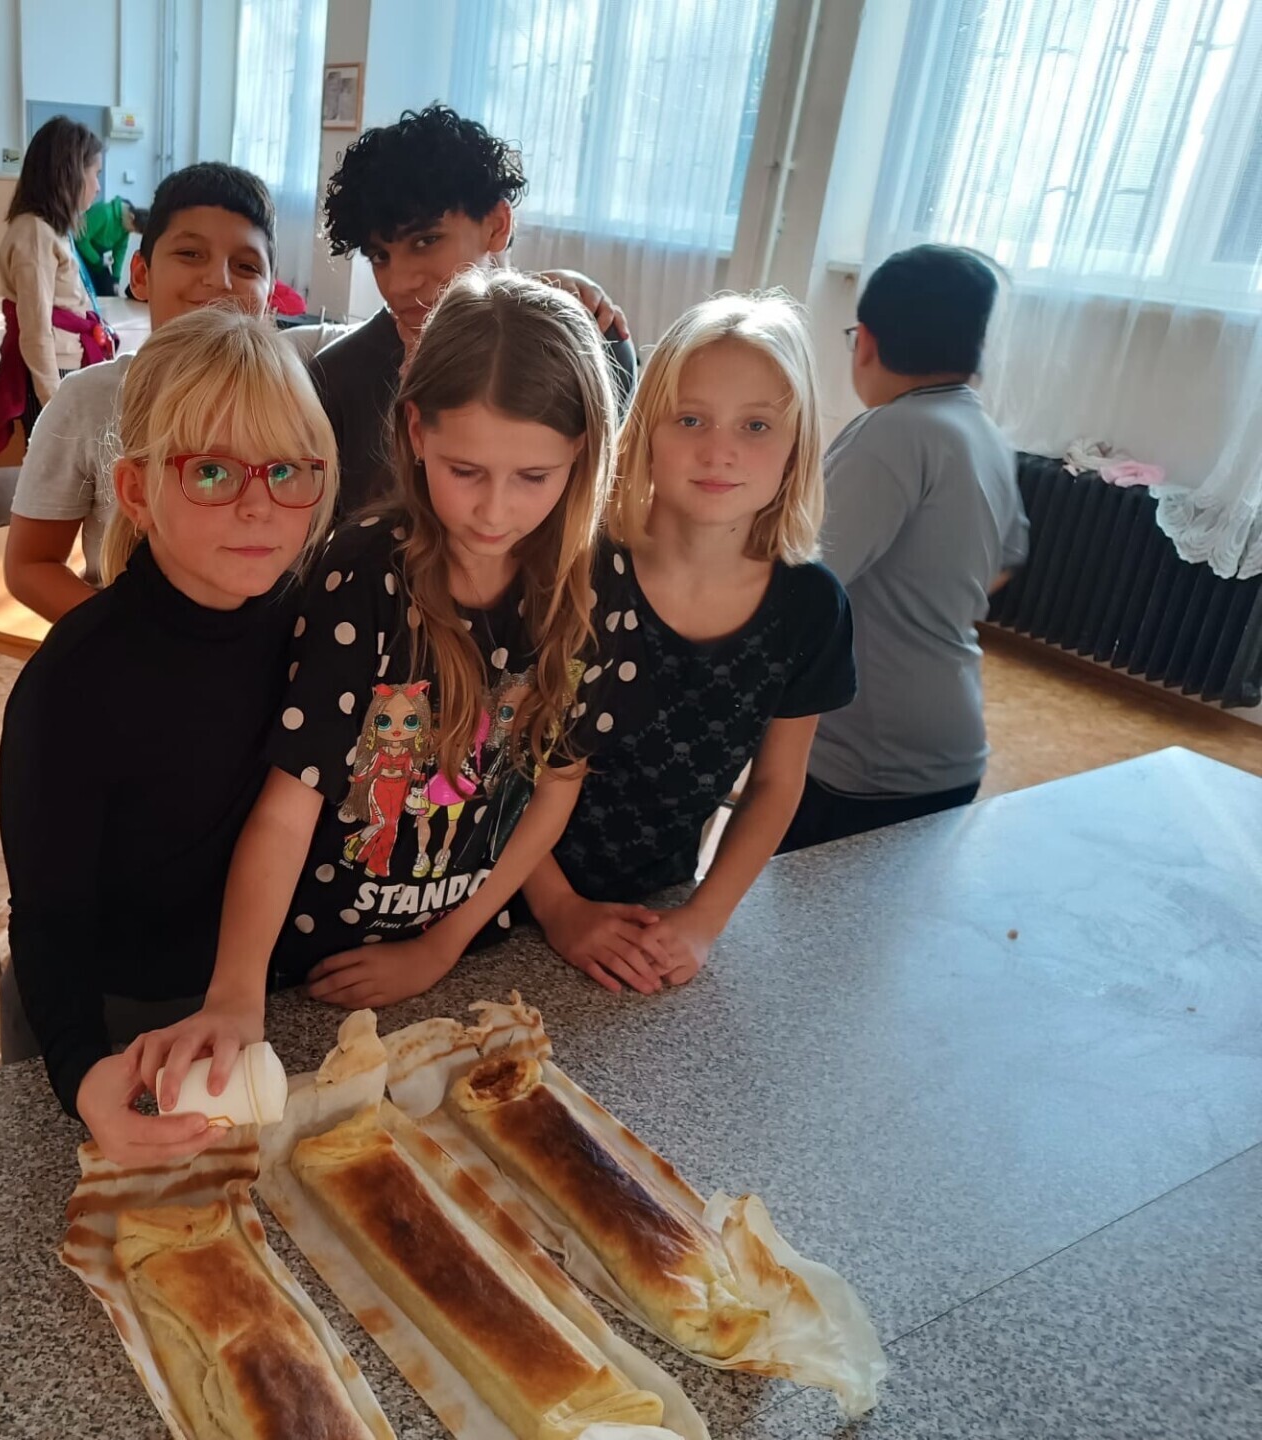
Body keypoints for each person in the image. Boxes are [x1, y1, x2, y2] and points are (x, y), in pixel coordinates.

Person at [137, 269, 655, 1109]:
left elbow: (554, 791)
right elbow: (290, 803)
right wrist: (236, 992)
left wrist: (440, 949)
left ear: (582, 455)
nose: (494, 510)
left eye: (534, 476)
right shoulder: (363, 572)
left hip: (469, 949)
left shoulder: (600, 585)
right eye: (465, 470)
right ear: (415, 430)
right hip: (317, 963)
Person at [0, 305, 337, 1164]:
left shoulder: (310, 625)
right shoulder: (73, 682)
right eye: (212, 471)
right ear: (137, 491)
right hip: (97, 1017)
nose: (258, 506)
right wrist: (83, 1074)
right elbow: (47, 923)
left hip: (242, 992)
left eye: (287, 470)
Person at [529, 293, 856, 995]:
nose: (719, 451)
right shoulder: (577, 569)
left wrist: (704, 920)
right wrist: (557, 908)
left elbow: (776, 784)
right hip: (503, 896)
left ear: (797, 445)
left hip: (660, 908)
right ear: (646, 428)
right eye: (690, 419)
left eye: (756, 425)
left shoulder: (811, 606)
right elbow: (499, 765)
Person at [6, 161, 332, 622]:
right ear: (140, 274)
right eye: (191, 254)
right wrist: (134, 640)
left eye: (245, 265)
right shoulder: (86, 399)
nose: (219, 280)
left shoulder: (296, 389)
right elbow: (29, 565)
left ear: (270, 294)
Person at [780, 245, 1026, 851]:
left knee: (796, 904)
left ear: (865, 340)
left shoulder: (891, 432)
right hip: (950, 738)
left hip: (873, 754)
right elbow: (1004, 562)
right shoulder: (984, 433)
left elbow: (801, 580)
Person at [311, 103, 638, 515]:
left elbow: (596, 512)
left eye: (425, 241)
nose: (398, 284)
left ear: (497, 225)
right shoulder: (335, 380)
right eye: (380, 256)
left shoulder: (591, 349)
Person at [0, 117, 109, 451]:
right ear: (70, 174)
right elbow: (35, 327)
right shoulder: (34, 233)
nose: (98, 187)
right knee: (57, 470)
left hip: (67, 363)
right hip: (53, 371)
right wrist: (54, 401)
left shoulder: (51, 230)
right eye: (95, 173)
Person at [75, 196, 144, 296]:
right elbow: (81, 240)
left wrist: (116, 280)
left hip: (97, 261)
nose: (130, 232)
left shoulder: (125, 230)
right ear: (131, 217)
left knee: (110, 291)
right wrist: (98, 261)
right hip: (80, 255)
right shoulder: (104, 212)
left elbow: (119, 254)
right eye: (133, 230)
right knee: (88, 291)